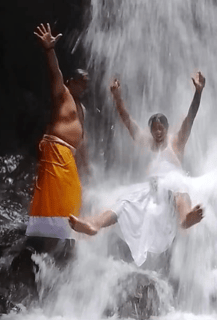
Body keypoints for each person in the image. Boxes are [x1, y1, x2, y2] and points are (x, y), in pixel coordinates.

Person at [69, 72, 206, 266]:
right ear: (150, 131)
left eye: (161, 128)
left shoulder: (176, 142)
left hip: (173, 189)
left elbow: (190, 118)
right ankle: (94, 224)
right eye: (154, 128)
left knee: (178, 190)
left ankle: (186, 219)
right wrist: (117, 98)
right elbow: (128, 121)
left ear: (166, 129)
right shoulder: (148, 143)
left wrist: (198, 93)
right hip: (152, 192)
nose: (158, 132)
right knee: (124, 201)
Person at [25, 23, 90, 262]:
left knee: (73, 200)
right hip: (56, 150)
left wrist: (87, 167)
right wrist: (49, 50)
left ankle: (60, 253)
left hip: (69, 156)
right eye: (81, 80)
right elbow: (55, 73)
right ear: (71, 81)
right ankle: (45, 257)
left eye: (87, 82)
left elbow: (83, 141)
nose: (85, 85)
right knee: (55, 204)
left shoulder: (81, 108)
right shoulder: (62, 93)